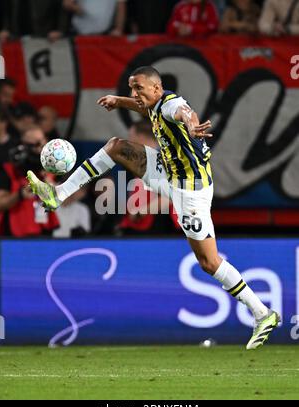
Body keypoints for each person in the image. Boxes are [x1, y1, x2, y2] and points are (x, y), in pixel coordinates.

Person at [27, 66, 280, 350]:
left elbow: (183, 113)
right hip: (169, 172)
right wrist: (118, 100)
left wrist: (192, 124)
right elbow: (147, 110)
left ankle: (262, 312)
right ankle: (58, 194)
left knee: (209, 262)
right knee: (116, 147)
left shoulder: (172, 105)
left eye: (139, 89)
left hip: (189, 193)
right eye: (131, 88)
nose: (134, 94)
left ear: (157, 89)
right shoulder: (156, 104)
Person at [0, 126, 59, 237]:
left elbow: (63, 199)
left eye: (43, 143)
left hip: (45, 235)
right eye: (36, 145)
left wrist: (50, 186)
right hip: (14, 237)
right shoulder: (9, 170)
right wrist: (20, 195)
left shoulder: (51, 169)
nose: (42, 149)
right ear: (23, 146)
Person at [63, 0, 127, 36]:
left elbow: (121, 7)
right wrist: (78, 10)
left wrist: (118, 29)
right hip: (78, 32)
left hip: (104, 34)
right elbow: (67, 3)